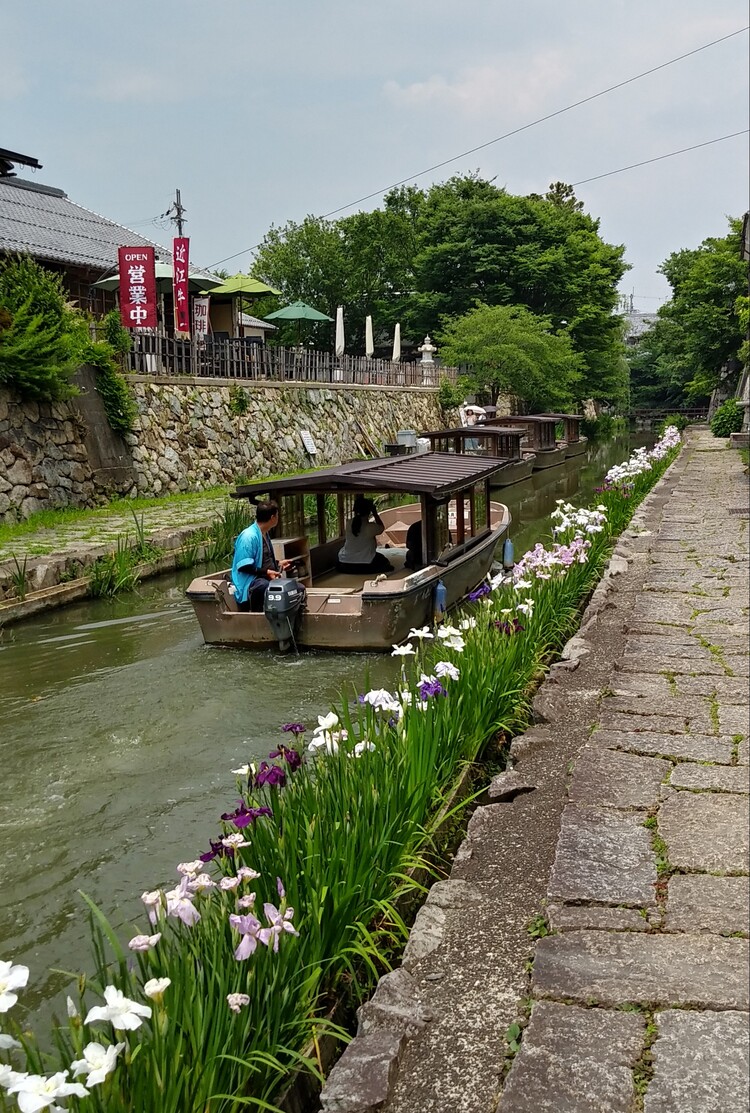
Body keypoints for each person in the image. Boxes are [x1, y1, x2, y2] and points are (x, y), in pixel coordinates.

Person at [231, 501, 292, 612]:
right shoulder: (248, 537)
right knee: (264, 586)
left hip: (262, 576)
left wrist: (278, 563)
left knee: (296, 588)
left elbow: (262, 559)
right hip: (250, 582)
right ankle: (258, 615)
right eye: (277, 515)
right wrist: (267, 572)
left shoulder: (264, 533)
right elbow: (243, 566)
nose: (278, 518)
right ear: (273, 517)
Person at [336, 495, 393, 575]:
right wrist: (375, 514)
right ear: (369, 511)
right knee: (384, 561)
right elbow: (381, 527)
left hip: (345, 563)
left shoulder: (349, 523)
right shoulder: (370, 527)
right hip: (365, 564)